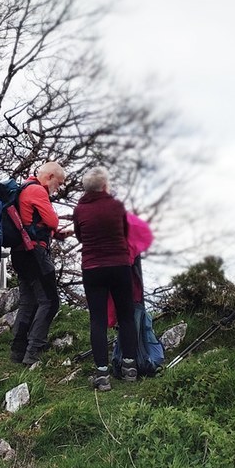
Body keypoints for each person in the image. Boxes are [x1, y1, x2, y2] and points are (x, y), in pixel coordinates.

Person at [73, 166, 139, 391]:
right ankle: (130, 368)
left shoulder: (79, 210)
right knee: (126, 315)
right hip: (120, 265)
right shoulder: (117, 206)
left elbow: (81, 236)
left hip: (93, 267)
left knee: (97, 319)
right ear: (104, 186)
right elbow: (126, 233)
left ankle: (102, 375)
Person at [9, 162, 70, 366]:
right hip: (35, 253)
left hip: (20, 252)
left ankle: (18, 350)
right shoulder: (37, 190)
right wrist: (54, 227)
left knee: (28, 301)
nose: (58, 188)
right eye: (58, 183)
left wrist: (56, 234)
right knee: (50, 301)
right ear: (50, 176)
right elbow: (52, 221)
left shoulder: (23, 188)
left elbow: (33, 222)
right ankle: (34, 350)